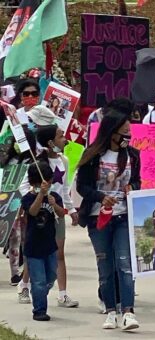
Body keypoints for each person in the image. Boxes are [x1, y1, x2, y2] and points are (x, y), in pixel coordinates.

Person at [76, 110, 141, 331]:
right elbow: (82, 187)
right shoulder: (93, 156)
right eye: (124, 132)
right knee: (105, 266)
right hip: (98, 218)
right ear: (112, 133)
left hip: (123, 216)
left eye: (129, 132)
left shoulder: (133, 155)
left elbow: (137, 181)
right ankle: (111, 311)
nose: (128, 136)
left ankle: (128, 312)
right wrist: (101, 197)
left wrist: (134, 188)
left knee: (125, 265)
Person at [33, 125, 80, 308]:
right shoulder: (38, 164)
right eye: (61, 136)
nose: (65, 139)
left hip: (58, 214)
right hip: (41, 214)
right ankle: (25, 284)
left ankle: (62, 294)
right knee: (37, 252)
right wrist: (38, 195)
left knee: (59, 253)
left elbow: (65, 189)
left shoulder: (64, 160)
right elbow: (25, 188)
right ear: (50, 142)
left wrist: (72, 210)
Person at [21, 161, 65, 321]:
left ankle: (39, 293)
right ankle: (39, 310)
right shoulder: (27, 198)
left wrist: (55, 204)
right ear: (34, 183)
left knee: (50, 276)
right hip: (33, 247)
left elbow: (61, 214)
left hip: (50, 245)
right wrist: (40, 195)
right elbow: (32, 212)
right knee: (38, 280)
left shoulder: (55, 197)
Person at [1, 127, 36, 289]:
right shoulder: (9, 161)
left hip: (26, 205)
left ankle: (26, 271)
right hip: (9, 205)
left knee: (26, 239)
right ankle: (15, 272)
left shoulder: (33, 163)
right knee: (13, 239)